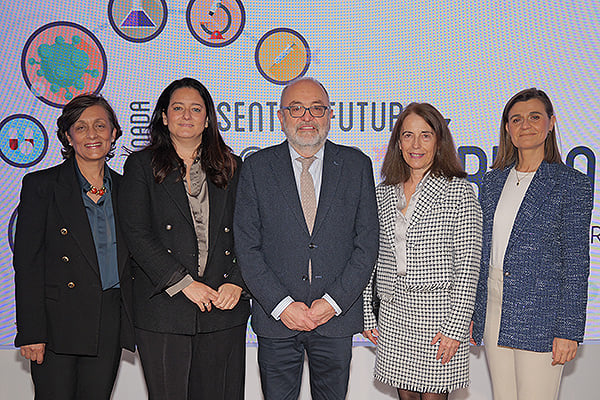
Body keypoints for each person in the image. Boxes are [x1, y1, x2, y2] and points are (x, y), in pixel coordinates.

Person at [234, 77, 379, 400]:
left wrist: (332, 303)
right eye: (297, 109)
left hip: (335, 319)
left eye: (317, 108)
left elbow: (367, 243)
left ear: (330, 115)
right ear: (281, 117)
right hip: (277, 320)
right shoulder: (256, 168)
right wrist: (283, 306)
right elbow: (247, 246)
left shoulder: (356, 166)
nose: (307, 117)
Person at [118, 77, 249, 400]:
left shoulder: (232, 167)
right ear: (164, 116)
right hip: (165, 308)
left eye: (195, 109)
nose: (186, 115)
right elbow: (136, 233)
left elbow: (252, 233)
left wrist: (237, 281)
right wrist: (184, 283)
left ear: (207, 119)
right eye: (178, 108)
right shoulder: (141, 166)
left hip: (223, 305)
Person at [471, 88, 593, 400]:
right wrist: (476, 311)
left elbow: (576, 263)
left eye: (535, 117)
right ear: (507, 129)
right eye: (517, 119)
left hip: (543, 313)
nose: (526, 125)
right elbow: (482, 252)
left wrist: (568, 331)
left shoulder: (572, 183)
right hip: (495, 306)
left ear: (551, 123)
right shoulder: (493, 181)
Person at [13, 94, 134, 399]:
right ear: (68, 136)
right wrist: (31, 331)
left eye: (100, 126)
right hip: (56, 324)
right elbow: (27, 264)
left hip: (108, 320)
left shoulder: (128, 189)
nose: (92, 135)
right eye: (81, 128)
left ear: (114, 132)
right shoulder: (42, 186)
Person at [362, 102, 483, 400]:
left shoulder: (458, 191)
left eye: (425, 135)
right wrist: (367, 313)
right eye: (408, 135)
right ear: (398, 143)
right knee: (405, 396)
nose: (416, 144)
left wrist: (456, 327)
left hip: (438, 315)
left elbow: (467, 267)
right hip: (393, 313)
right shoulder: (382, 193)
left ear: (439, 141)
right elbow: (369, 258)